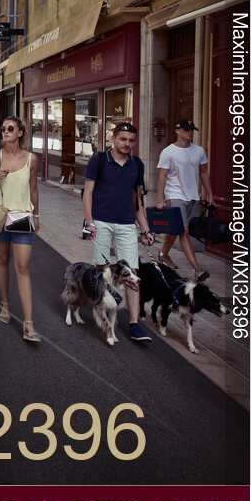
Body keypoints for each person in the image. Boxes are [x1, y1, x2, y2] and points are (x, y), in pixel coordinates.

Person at [83, 122, 154, 343]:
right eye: (123, 139)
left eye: (131, 140)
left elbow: (138, 200)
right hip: (101, 221)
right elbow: (88, 192)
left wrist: (145, 228)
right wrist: (89, 222)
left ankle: (134, 324)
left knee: (132, 272)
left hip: (126, 225)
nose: (127, 144)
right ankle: (101, 309)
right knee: (101, 269)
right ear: (113, 138)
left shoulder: (137, 164)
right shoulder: (99, 160)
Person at [0, 116, 42, 343]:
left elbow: (34, 189)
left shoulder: (31, 160)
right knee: (2, 260)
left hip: (22, 216)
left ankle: (29, 324)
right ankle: (5, 305)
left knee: (23, 266)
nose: (5, 132)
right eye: (3, 129)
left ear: (20, 133)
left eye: (10, 129)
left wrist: (37, 215)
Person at [156, 120, 213, 280]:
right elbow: (162, 176)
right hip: (175, 195)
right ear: (177, 131)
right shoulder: (168, 152)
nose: (189, 133)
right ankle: (197, 269)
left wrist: (210, 194)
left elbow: (203, 173)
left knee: (175, 229)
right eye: (186, 130)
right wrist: (160, 199)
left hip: (193, 196)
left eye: (191, 130)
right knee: (183, 231)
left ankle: (163, 254)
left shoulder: (199, 151)